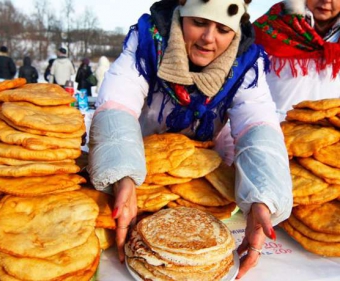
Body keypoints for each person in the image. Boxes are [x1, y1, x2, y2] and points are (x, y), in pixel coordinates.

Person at [87, 0, 292, 279]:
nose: (209, 38)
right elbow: (118, 102)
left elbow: (257, 126)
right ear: (181, 14)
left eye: (222, 29)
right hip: (142, 166)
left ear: (236, 29)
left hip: (203, 171)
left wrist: (263, 199)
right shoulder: (149, 42)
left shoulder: (245, 63)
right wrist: (121, 174)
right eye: (198, 23)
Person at [254, 0, 340, 121]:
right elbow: (242, 89)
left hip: (328, 133)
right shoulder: (272, 26)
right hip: (269, 128)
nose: (326, 0)